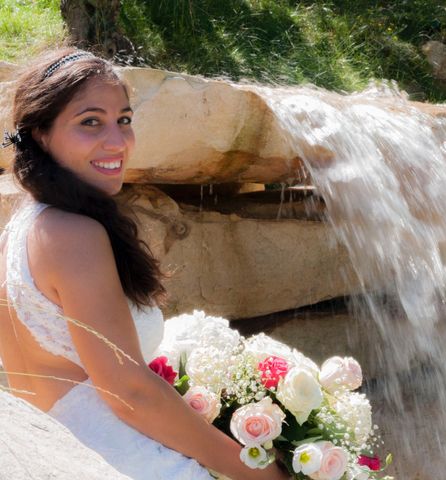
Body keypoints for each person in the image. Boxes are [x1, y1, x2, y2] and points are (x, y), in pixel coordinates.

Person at [0, 48, 289, 480]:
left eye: (125, 120)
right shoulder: (74, 235)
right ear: (40, 134)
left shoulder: (20, 228)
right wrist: (259, 471)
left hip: (65, 450)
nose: (117, 142)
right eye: (90, 122)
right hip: (125, 456)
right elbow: (130, 391)